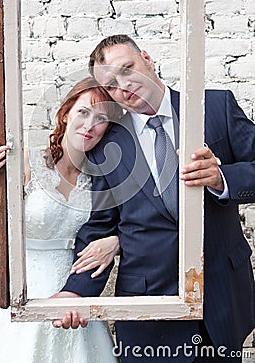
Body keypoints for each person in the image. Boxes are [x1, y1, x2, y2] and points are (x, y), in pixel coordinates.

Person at [53, 35, 255, 362]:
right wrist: (75, 290)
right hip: (148, 308)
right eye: (111, 85)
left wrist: (223, 178)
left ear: (147, 58)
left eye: (128, 69)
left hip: (224, 294)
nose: (124, 86)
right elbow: (100, 226)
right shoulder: (108, 144)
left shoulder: (216, 106)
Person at [0, 77, 123, 363]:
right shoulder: (28, 162)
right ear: (66, 112)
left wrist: (116, 242)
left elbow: (115, 228)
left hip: (75, 294)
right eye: (83, 112)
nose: (90, 124)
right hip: (27, 292)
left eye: (101, 118)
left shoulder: (102, 179)